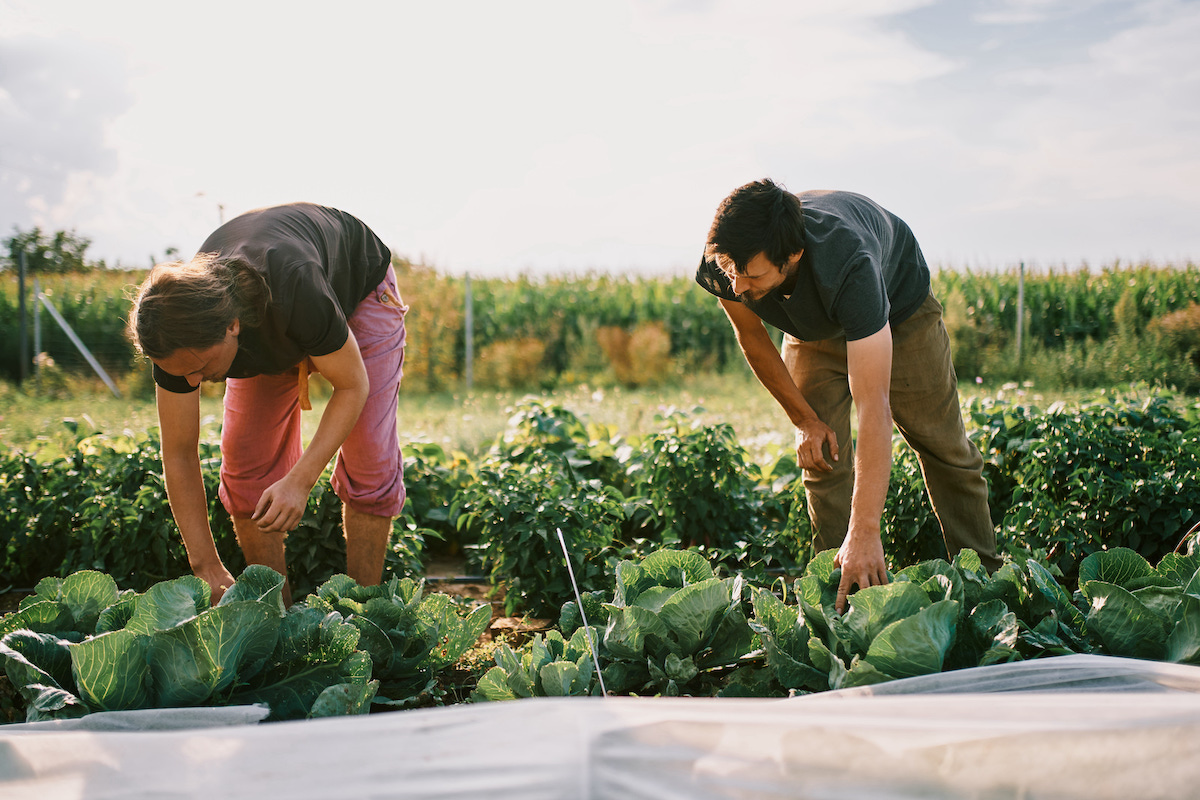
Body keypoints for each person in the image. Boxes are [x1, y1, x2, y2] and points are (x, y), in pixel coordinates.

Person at [696, 179, 1000, 612]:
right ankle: (842, 597)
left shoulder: (848, 262)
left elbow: (874, 405)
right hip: (811, 327)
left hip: (897, 315)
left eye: (754, 275)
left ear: (793, 255)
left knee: (943, 447)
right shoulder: (726, 261)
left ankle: (984, 585)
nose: (739, 287)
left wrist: (866, 529)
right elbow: (751, 336)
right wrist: (804, 420)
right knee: (821, 455)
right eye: (732, 273)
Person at [128, 202, 408, 606]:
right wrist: (205, 565)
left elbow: (352, 386)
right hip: (272, 318)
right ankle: (279, 617)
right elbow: (178, 452)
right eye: (180, 373)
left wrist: (300, 480)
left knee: (370, 457)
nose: (190, 382)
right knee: (245, 463)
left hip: (357, 285)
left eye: (201, 368)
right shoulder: (175, 334)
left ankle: (364, 616)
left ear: (232, 327)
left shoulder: (295, 288)